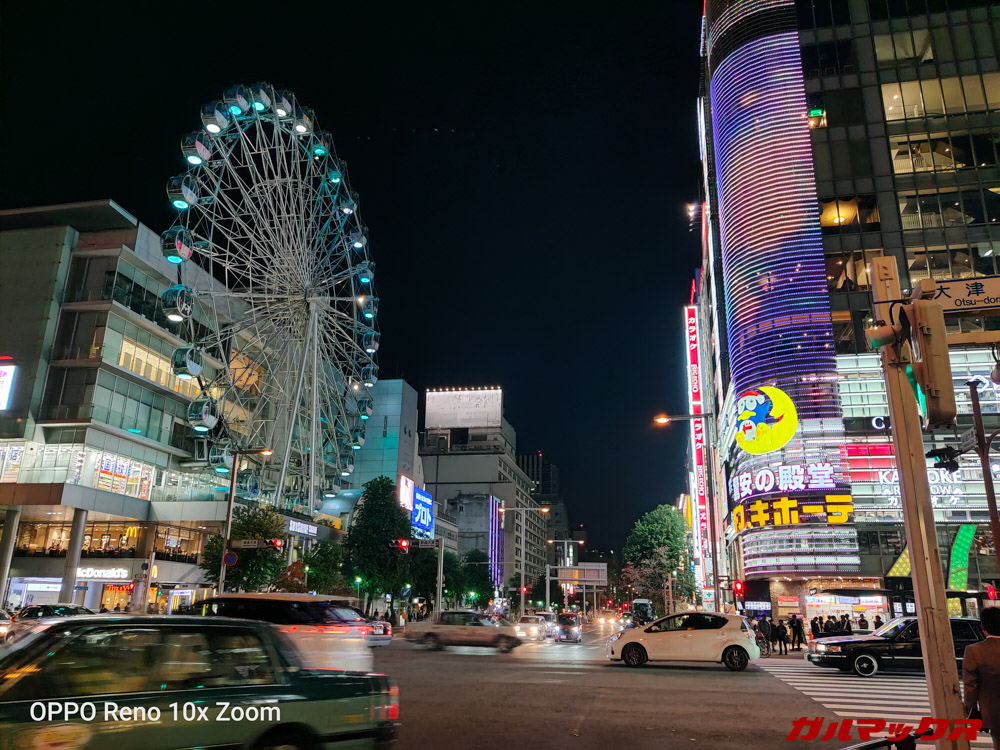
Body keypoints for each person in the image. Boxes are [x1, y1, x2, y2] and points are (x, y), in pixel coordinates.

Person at [963, 606, 1000, 749]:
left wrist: (972, 711)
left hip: (995, 713)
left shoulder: (974, 651)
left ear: (983, 626)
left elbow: (970, 687)